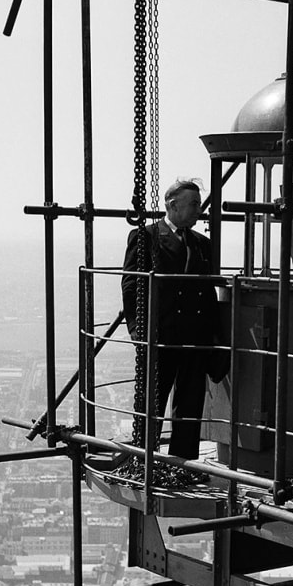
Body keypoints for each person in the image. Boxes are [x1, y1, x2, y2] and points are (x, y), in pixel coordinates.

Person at [122, 178, 221, 461]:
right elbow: (131, 285)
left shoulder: (202, 244)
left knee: (190, 404)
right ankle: (144, 459)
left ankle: (183, 464)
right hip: (161, 335)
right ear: (172, 205)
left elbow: (208, 292)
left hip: (194, 336)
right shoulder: (147, 237)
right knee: (152, 399)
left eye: (199, 204)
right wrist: (137, 331)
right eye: (192, 204)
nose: (198, 210)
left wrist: (215, 336)